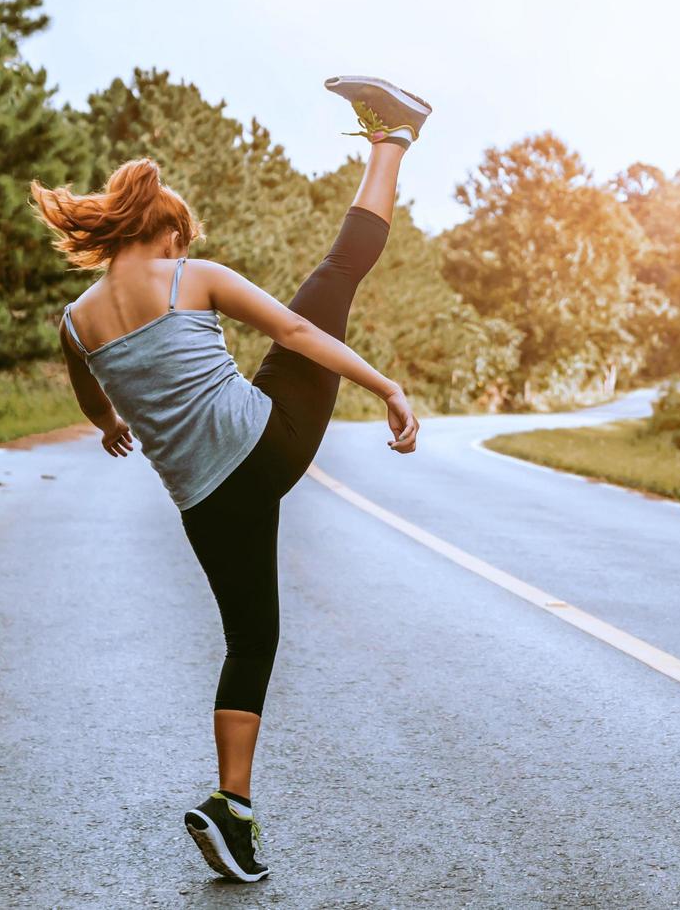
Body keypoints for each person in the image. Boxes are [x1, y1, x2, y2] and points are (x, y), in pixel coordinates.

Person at [30, 76, 433, 883]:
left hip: (204, 500)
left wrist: (112, 423)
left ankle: (233, 808)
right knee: (337, 270)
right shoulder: (192, 277)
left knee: (251, 641)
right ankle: (397, 136)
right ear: (169, 231)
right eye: (181, 237)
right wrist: (385, 386)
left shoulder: (76, 318)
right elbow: (291, 329)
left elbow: (86, 389)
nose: (183, 247)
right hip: (267, 444)